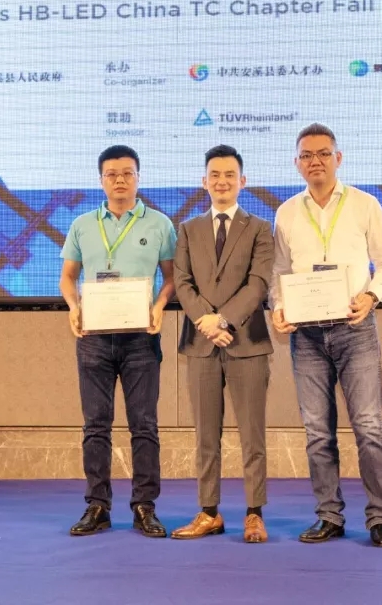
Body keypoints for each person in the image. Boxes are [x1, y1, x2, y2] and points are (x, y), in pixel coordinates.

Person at [269, 123, 382, 547]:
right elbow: (279, 271)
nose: (316, 161)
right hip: (306, 336)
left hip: (354, 329)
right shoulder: (286, 212)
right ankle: (329, 515)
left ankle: (380, 518)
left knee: (368, 427)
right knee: (317, 433)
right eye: (307, 155)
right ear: (296, 163)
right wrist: (278, 307)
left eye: (323, 153)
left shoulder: (365, 204)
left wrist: (372, 295)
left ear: (338, 158)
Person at [59, 145, 177, 538]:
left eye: (127, 173)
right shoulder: (82, 224)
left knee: (144, 425)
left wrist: (160, 304)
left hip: (141, 339)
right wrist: (73, 306)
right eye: (111, 174)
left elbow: (172, 278)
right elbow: (68, 277)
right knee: (96, 426)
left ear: (138, 178)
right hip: (94, 339)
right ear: (101, 181)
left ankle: (145, 506)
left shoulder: (159, 224)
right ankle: (97, 506)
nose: (120, 180)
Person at [171, 145, 274, 544]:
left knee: (253, 435)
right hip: (201, 344)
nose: (222, 181)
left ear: (242, 181)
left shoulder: (260, 228)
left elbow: (258, 283)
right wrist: (207, 322)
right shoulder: (188, 229)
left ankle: (254, 513)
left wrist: (224, 319)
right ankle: (209, 512)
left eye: (230, 175)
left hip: (247, 342)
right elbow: (182, 283)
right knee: (205, 435)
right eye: (214, 174)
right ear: (204, 181)